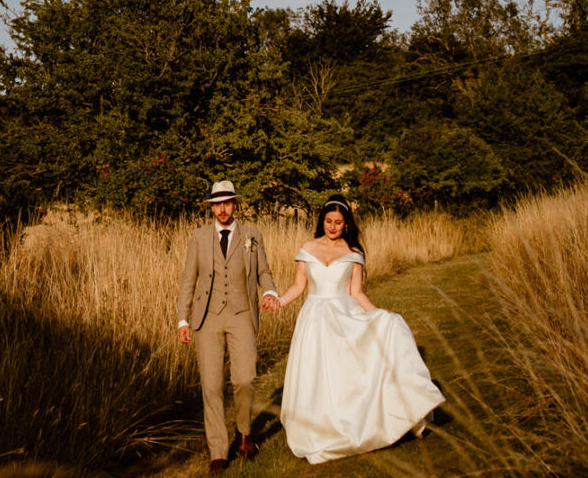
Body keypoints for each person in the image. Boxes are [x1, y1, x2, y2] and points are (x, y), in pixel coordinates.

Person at [273, 198, 444, 463]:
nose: (332, 227)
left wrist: (378, 314)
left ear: (346, 224)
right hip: (314, 318)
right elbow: (298, 286)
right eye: (328, 221)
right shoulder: (307, 248)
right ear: (322, 221)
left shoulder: (354, 252)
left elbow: (356, 292)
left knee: (346, 372)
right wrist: (279, 301)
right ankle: (317, 426)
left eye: (338, 223)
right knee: (315, 373)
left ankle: (356, 419)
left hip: (344, 315)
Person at [175, 179, 281, 473]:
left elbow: (264, 272)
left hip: (242, 315)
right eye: (217, 204)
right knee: (211, 386)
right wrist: (183, 319)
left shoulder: (252, 236)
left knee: (245, 379)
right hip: (207, 318)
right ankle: (218, 451)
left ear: (235, 204)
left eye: (227, 203)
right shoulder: (198, 237)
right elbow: (188, 280)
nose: (222, 209)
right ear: (211, 207)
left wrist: (270, 290)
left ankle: (244, 432)